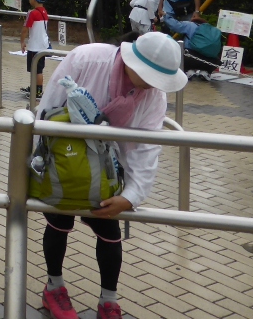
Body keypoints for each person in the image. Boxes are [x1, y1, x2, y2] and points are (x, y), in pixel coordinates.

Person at [36, 32, 187, 319]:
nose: (152, 84)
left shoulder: (153, 95)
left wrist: (131, 196)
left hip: (107, 167)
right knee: (59, 221)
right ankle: (53, 287)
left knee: (109, 230)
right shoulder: (87, 59)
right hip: (64, 158)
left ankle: (109, 300)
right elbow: (48, 110)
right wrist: (39, 165)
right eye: (149, 75)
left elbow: (145, 146)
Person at [21, 0, 51, 99]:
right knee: (39, 69)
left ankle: (38, 92)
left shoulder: (32, 13)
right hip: (43, 45)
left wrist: (22, 41)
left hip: (34, 46)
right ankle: (35, 88)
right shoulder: (44, 12)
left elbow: (25, 29)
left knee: (35, 70)